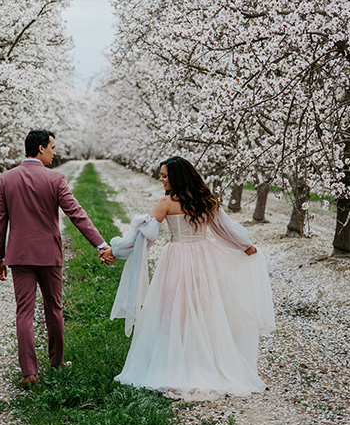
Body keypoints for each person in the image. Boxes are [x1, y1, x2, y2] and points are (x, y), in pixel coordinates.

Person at [110, 156, 275, 402]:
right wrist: (245, 245)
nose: (161, 179)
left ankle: (175, 363)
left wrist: (116, 251)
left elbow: (144, 238)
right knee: (201, 310)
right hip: (202, 258)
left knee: (172, 311)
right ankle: (202, 360)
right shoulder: (206, 201)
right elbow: (225, 230)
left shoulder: (165, 203)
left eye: (164, 175)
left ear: (176, 177)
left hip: (177, 258)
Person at [0, 129, 115, 387]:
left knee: (24, 312)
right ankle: (57, 361)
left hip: (19, 256)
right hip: (49, 255)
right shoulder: (55, 179)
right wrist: (100, 244)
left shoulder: (5, 179)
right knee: (54, 309)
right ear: (40, 149)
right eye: (52, 147)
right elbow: (76, 214)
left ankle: (29, 372)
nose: (55, 152)